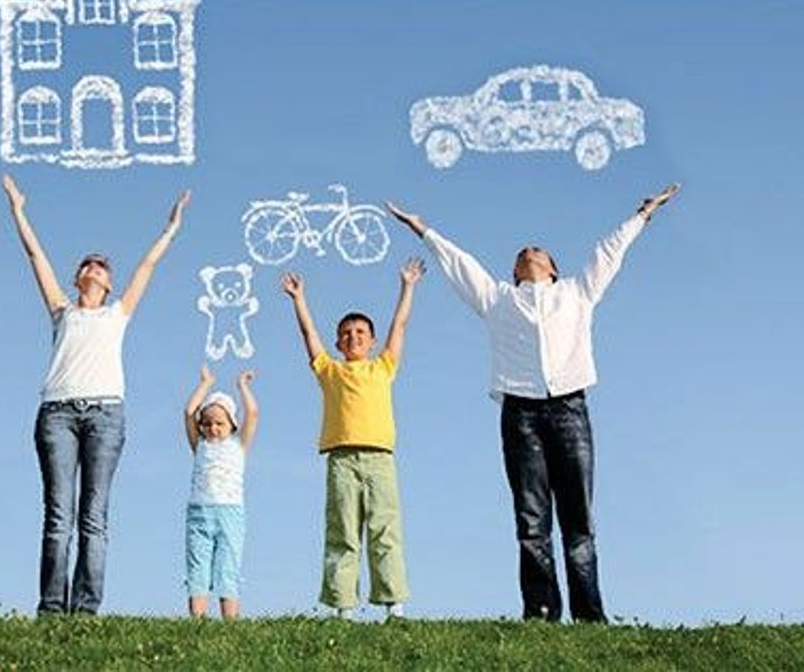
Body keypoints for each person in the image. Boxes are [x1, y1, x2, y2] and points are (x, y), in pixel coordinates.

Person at [385, 184, 680, 623]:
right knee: (531, 520)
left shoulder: (578, 292)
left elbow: (610, 250)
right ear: (515, 271)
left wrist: (644, 214)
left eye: (538, 250)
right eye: (523, 252)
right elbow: (460, 264)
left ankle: (588, 614)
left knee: (578, 519)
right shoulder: (499, 298)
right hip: (520, 413)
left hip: (570, 410)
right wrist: (422, 229)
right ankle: (541, 611)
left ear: (554, 270)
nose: (529, 251)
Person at [1, 173, 190, 615]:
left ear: (108, 283)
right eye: (88, 264)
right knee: (57, 517)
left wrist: (171, 228)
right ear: (78, 277)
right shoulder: (61, 309)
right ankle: (51, 609)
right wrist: (18, 209)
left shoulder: (118, 313)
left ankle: (85, 611)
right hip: (57, 415)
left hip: (105, 416)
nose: (94, 268)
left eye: (102, 266)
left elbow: (147, 267)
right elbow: (35, 255)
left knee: (94, 519)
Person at [282, 258, 424, 621]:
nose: (354, 337)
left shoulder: (384, 366)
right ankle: (343, 607)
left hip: (380, 460)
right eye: (346, 333)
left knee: (385, 531)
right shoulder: (330, 370)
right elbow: (308, 336)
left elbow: (401, 325)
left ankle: (395, 607)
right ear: (338, 341)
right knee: (342, 532)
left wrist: (407, 286)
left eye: (361, 332)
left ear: (372, 340)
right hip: (341, 460)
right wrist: (299, 298)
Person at [182, 365, 258, 620]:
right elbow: (188, 412)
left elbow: (254, 413)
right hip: (199, 514)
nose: (213, 428)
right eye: (207, 423)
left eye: (219, 423)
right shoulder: (200, 445)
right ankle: (198, 619)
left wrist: (243, 386)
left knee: (228, 566)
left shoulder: (239, 446)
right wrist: (206, 383)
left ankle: (230, 621)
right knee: (198, 567)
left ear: (232, 425)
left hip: (230, 515)